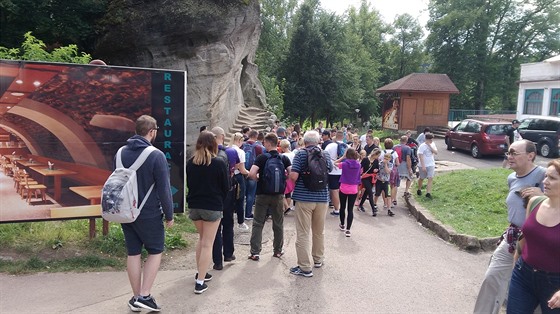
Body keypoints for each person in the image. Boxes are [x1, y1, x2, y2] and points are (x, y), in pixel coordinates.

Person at [474, 140, 545, 314]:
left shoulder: (544, 176)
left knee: (532, 290)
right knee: (492, 277)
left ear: (530, 155)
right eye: (509, 153)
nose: (509, 156)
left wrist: (542, 196)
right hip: (513, 237)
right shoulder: (511, 178)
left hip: (535, 241)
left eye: (514, 153)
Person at [121, 115, 174, 311]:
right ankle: (144, 295)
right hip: (149, 212)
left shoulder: (120, 153)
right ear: (152, 132)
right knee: (155, 251)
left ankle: (136, 297)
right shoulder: (156, 155)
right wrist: (169, 215)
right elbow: (164, 189)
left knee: (133, 252)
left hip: (125, 212)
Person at [507, 158, 560, 313]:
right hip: (523, 274)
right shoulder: (535, 202)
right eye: (545, 176)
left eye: (552, 178)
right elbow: (525, 235)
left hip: (555, 284)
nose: (545, 181)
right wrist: (516, 262)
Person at [186, 131, 229, 294]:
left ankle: (201, 272)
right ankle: (200, 282)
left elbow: (190, 184)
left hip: (195, 205)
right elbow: (226, 186)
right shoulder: (218, 163)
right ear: (214, 144)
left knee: (202, 239)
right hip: (212, 205)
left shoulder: (190, 163)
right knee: (207, 243)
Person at [289, 130, 333, 277]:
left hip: (304, 198)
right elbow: (331, 170)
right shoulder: (325, 154)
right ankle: (318, 259)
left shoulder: (300, 154)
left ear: (305, 141)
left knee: (303, 232)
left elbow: (294, 176)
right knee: (319, 231)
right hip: (322, 198)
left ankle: (305, 267)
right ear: (318, 140)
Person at [247, 133, 291, 261]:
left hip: (262, 194)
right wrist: (283, 180)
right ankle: (277, 251)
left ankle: (255, 252)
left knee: (258, 223)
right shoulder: (283, 159)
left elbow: (251, 174)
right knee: (278, 223)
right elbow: (291, 173)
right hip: (278, 195)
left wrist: (259, 179)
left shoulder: (262, 158)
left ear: (267, 143)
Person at [210, 126, 239, 271]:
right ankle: (228, 253)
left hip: (213, 193)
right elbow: (237, 169)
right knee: (228, 223)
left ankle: (217, 261)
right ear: (222, 136)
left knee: (215, 227)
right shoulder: (231, 152)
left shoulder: (208, 153)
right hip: (228, 191)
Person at [335, 148, 361, 237]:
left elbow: (334, 163)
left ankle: (342, 224)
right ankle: (348, 229)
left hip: (343, 187)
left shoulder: (344, 164)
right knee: (350, 209)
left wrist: (342, 157)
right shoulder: (358, 164)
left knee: (342, 207)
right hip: (354, 188)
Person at [229, 132, 250, 231]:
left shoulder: (227, 149)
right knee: (240, 199)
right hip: (238, 176)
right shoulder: (240, 152)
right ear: (239, 141)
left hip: (229, 176)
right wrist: (250, 173)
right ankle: (240, 222)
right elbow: (242, 169)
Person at [243, 130, 264, 220]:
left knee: (242, 194)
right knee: (251, 194)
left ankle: (239, 211)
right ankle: (248, 213)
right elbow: (261, 161)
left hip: (243, 171)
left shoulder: (242, 145)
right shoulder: (258, 147)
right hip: (253, 172)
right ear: (256, 136)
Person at [325, 130, 347, 216]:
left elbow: (325, 157)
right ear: (343, 137)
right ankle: (342, 208)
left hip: (332, 171)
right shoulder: (347, 146)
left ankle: (337, 209)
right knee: (342, 190)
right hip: (344, 171)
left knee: (334, 191)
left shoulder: (330, 146)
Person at [358, 149, 381, 215]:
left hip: (371, 178)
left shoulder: (376, 161)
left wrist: (376, 170)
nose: (378, 157)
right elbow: (360, 167)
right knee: (370, 193)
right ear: (375, 154)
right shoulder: (365, 159)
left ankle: (360, 205)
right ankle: (373, 209)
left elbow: (378, 168)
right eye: (378, 155)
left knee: (366, 192)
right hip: (365, 177)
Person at [416, 133, 437, 199]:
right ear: (426, 139)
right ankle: (419, 189)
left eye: (431, 140)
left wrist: (430, 146)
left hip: (431, 164)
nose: (431, 141)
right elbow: (420, 156)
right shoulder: (422, 146)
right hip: (423, 164)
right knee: (422, 178)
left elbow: (436, 152)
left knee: (430, 178)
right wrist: (423, 166)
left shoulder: (433, 144)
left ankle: (428, 193)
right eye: (429, 140)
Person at [380, 138, 400, 207]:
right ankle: (390, 202)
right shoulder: (394, 153)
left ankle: (385, 203)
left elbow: (380, 161)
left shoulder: (382, 152)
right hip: (392, 170)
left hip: (383, 171)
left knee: (384, 186)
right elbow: (397, 163)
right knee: (393, 185)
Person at [375, 151, 394, 216]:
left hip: (386, 182)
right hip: (379, 181)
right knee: (377, 194)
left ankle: (389, 209)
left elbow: (388, 171)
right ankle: (374, 204)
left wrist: (386, 164)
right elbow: (377, 171)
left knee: (388, 195)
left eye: (387, 158)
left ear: (390, 159)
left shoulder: (390, 164)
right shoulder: (380, 164)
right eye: (385, 158)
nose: (386, 159)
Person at [280, 139, 296, 214]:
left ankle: (286, 206)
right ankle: (287, 206)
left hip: (284, 174)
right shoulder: (293, 154)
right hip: (292, 173)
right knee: (288, 192)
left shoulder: (282, 156)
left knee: (281, 192)